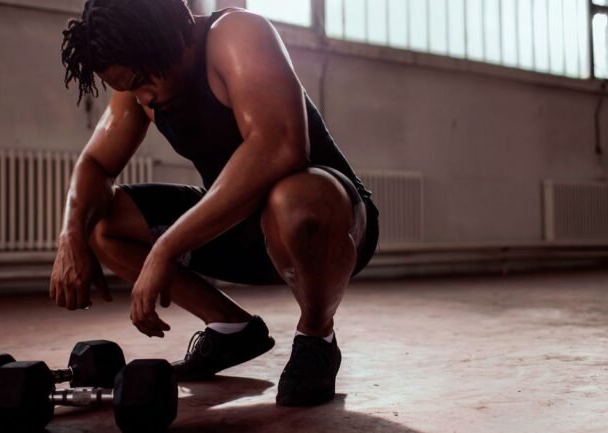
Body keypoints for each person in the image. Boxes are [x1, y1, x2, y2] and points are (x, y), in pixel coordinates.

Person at [50, 0, 379, 407]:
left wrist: (167, 247)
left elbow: (280, 147)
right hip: (244, 229)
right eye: (130, 88)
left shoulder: (238, 36)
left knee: (293, 203)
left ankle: (316, 336)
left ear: (169, 37)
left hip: (330, 224)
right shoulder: (141, 91)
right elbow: (96, 164)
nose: (141, 96)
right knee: (101, 224)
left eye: (141, 81)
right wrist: (70, 236)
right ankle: (231, 329)